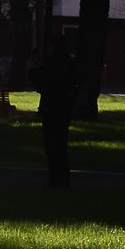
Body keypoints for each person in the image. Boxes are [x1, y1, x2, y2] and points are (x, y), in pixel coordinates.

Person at [30, 36, 77, 187]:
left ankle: (55, 179)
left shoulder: (52, 67)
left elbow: (39, 81)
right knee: (61, 145)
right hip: (64, 110)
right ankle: (62, 179)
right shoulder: (69, 66)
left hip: (52, 109)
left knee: (52, 145)